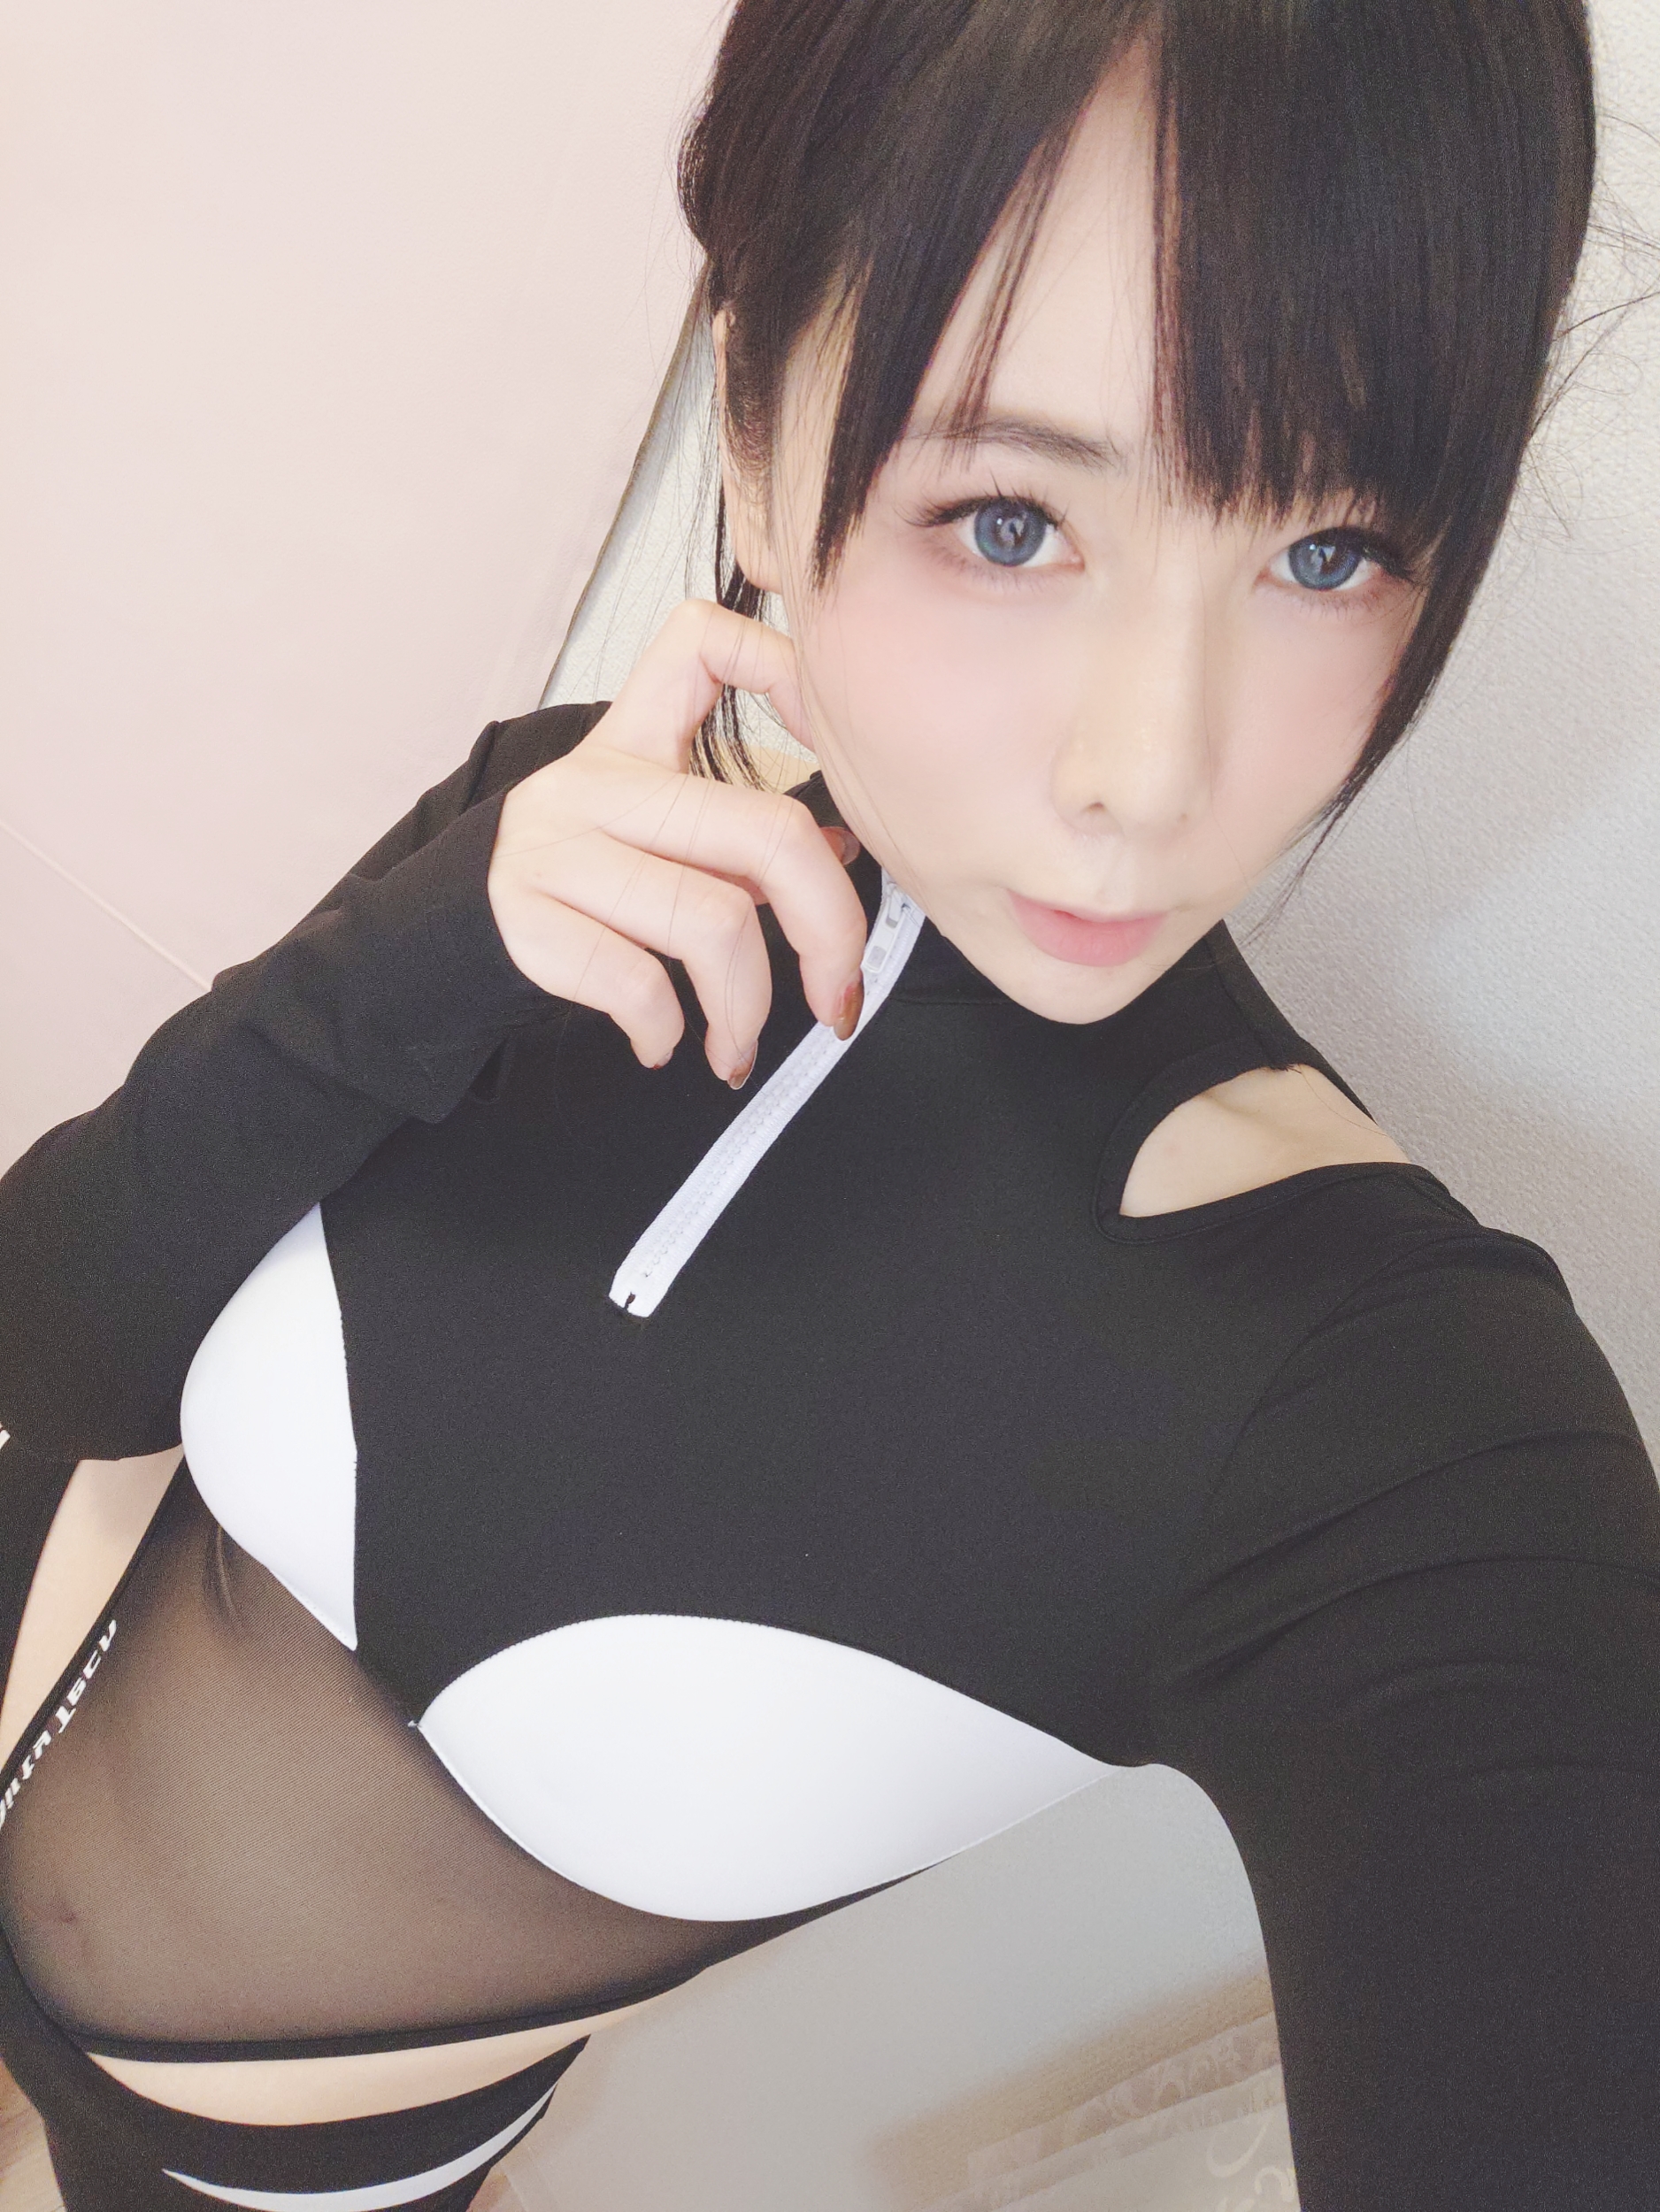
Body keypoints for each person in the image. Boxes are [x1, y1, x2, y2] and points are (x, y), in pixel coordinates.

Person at [0, 0, 1655, 2204]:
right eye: (1008, 519)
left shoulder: (1397, 1426)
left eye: (1328, 548)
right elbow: (49, 1341)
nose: (1144, 773)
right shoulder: (574, 820)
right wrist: (425, 952)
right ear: (762, 431)